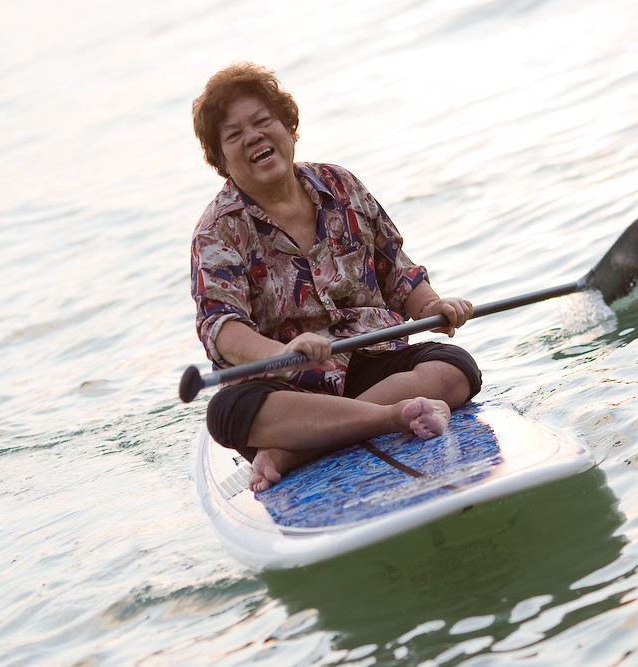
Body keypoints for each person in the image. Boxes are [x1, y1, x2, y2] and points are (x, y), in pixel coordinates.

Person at [190, 63, 482, 491]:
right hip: (288, 389)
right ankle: (388, 416)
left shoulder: (340, 185)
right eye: (234, 135)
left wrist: (432, 306)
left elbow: (395, 269)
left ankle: (299, 448)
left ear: (288, 128)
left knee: (454, 370)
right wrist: (285, 351)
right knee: (229, 414)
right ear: (222, 160)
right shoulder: (216, 231)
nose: (252, 136)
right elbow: (222, 328)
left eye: (262, 121)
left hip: (371, 360)